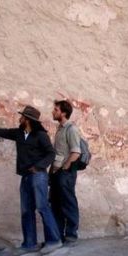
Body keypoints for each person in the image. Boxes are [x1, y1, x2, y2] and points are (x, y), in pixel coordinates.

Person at [0, 105, 62, 255]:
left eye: (22, 117)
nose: (20, 118)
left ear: (28, 120)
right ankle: (29, 244)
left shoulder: (40, 135)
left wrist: (38, 167)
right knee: (26, 211)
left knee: (42, 207)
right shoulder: (19, 133)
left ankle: (54, 241)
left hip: (38, 176)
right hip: (25, 177)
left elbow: (51, 154)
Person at [50, 100, 81, 244]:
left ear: (63, 113)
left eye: (56, 110)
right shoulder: (60, 129)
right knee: (56, 204)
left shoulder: (71, 129)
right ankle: (58, 236)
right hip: (56, 172)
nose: (53, 112)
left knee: (68, 203)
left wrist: (65, 167)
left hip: (65, 173)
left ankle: (71, 235)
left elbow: (76, 152)